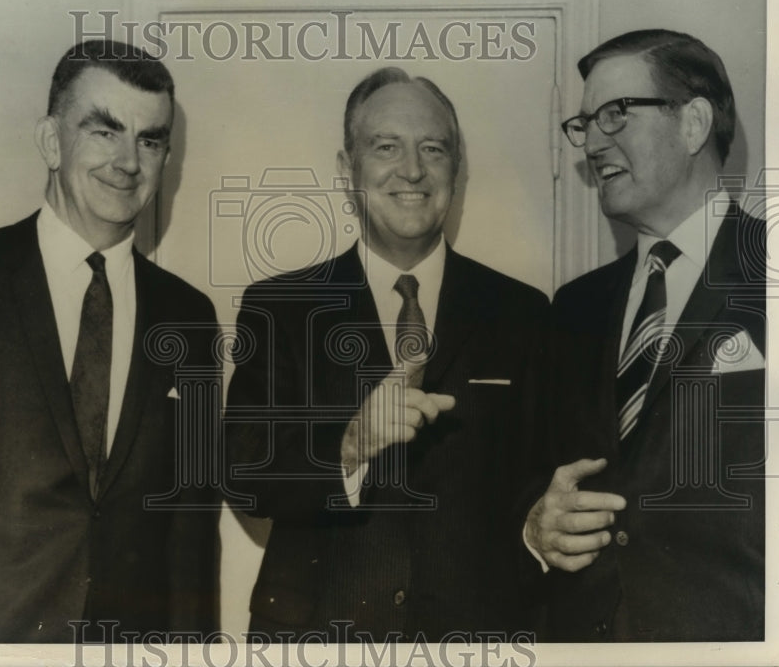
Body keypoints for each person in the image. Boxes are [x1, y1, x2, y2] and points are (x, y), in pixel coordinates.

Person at [224, 67, 549, 642]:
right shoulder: (280, 307)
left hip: (478, 641)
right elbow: (243, 474)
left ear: (457, 169)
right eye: (386, 147)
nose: (413, 170)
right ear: (347, 169)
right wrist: (349, 445)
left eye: (433, 149)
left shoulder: (523, 313)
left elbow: (536, 481)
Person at [0, 40, 221, 643]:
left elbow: (191, 533)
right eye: (105, 132)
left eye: (151, 140)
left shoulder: (190, 318)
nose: (129, 162)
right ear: (52, 141)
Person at [525, 29, 766, 641]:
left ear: (693, 124)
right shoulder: (573, 309)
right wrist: (535, 525)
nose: (594, 143)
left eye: (616, 114)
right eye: (585, 124)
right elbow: (536, 471)